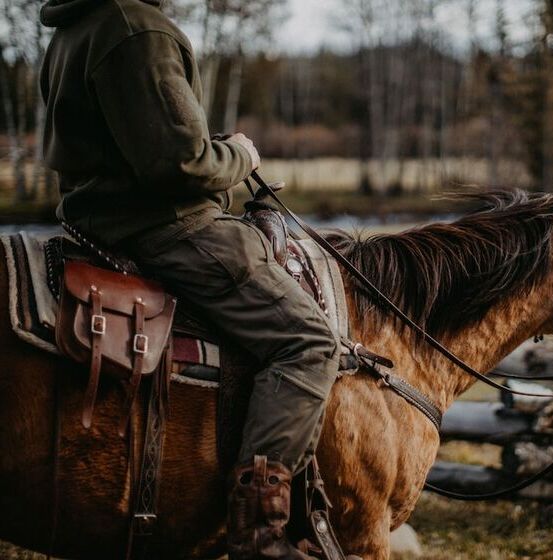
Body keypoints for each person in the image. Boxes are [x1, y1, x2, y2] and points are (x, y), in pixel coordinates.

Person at [39, 1, 347, 558]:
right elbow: (181, 166)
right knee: (309, 342)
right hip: (170, 229)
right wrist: (240, 154)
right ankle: (259, 530)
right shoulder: (134, 26)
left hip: (103, 221)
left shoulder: (79, 24)